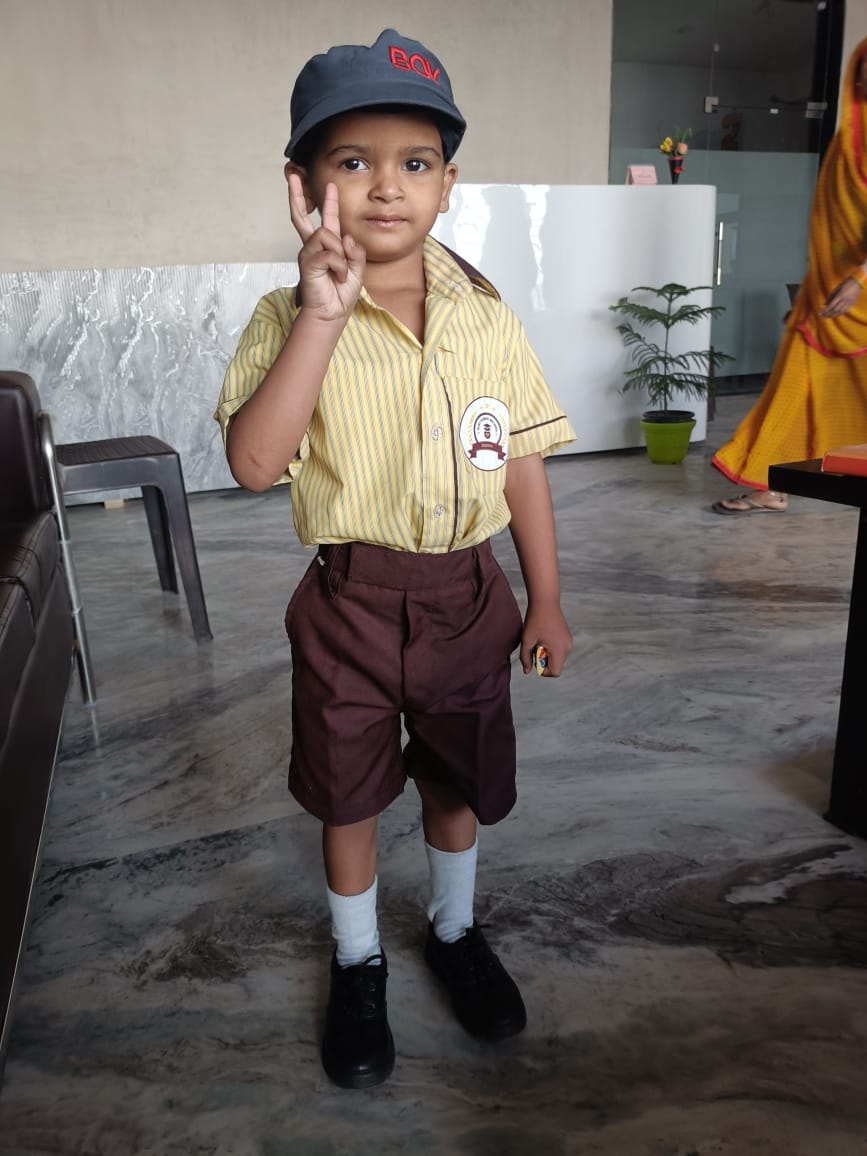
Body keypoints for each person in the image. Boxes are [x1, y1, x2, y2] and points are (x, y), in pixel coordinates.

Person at [214, 29, 575, 1089]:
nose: (385, 186)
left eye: (414, 162)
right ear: (304, 183)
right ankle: (357, 960)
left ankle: (455, 932)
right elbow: (253, 464)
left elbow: (519, 464)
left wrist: (545, 598)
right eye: (352, 160)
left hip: (468, 597)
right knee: (350, 794)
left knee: (456, 779)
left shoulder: (486, 316)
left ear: (447, 183)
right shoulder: (287, 319)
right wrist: (323, 318)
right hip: (351, 603)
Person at [712, 36, 867, 515]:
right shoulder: (848, 138)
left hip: (857, 296)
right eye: (862, 68)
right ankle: (768, 483)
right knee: (790, 393)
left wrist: (859, 280)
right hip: (827, 299)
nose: (865, 79)